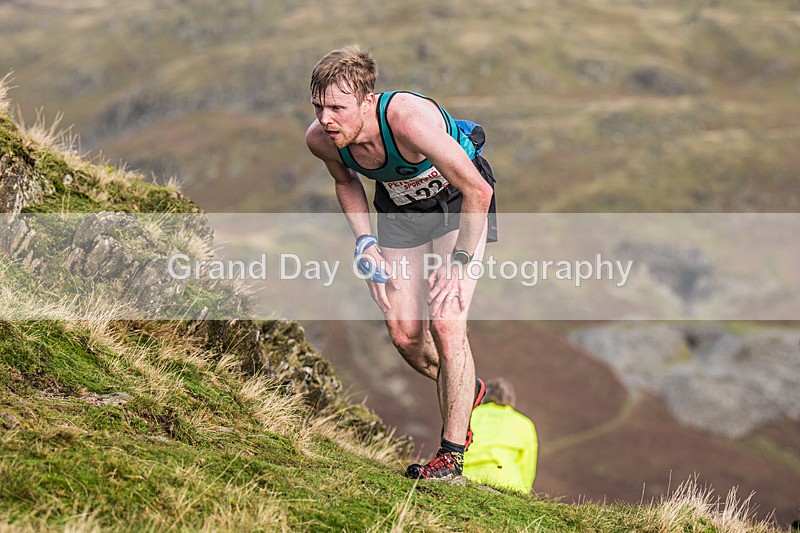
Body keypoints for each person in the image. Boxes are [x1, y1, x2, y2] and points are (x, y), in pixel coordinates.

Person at [306, 44, 498, 482]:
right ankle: (468, 389)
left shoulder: (408, 121)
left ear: (368, 101)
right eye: (318, 106)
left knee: (447, 322)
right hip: (400, 211)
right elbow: (346, 182)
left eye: (337, 107)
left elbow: (477, 192)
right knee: (405, 335)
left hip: (456, 203)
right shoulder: (321, 139)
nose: (325, 119)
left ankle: (451, 459)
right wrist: (364, 242)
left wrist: (461, 262)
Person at [463, 378, 538, 493]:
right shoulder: (524, 424)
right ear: (511, 400)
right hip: (508, 482)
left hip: (466, 477)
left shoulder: (468, 416)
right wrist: (524, 492)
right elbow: (527, 465)